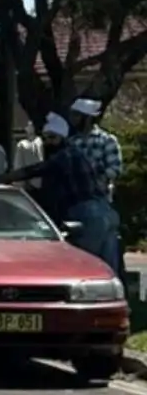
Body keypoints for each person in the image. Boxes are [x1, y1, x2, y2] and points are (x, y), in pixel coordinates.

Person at [67, 98, 124, 275]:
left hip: (101, 204)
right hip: (77, 204)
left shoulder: (106, 140)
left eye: (77, 115)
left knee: (106, 256)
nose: (73, 119)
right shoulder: (73, 142)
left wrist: (98, 177)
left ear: (87, 118)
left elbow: (116, 168)